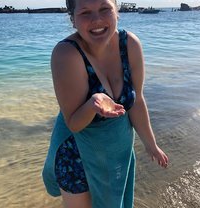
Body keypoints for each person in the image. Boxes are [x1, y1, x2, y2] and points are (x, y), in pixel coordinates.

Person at [42, 0, 169, 207]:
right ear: (72, 19)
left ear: (116, 11)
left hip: (116, 151)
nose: (97, 20)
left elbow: (136, 101)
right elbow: (73, 123)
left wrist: (150, 144)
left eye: (104, 9)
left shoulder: (130, 44)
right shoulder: (66, 54)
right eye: (85, 13)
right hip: (75, 155)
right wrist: (93, 103)